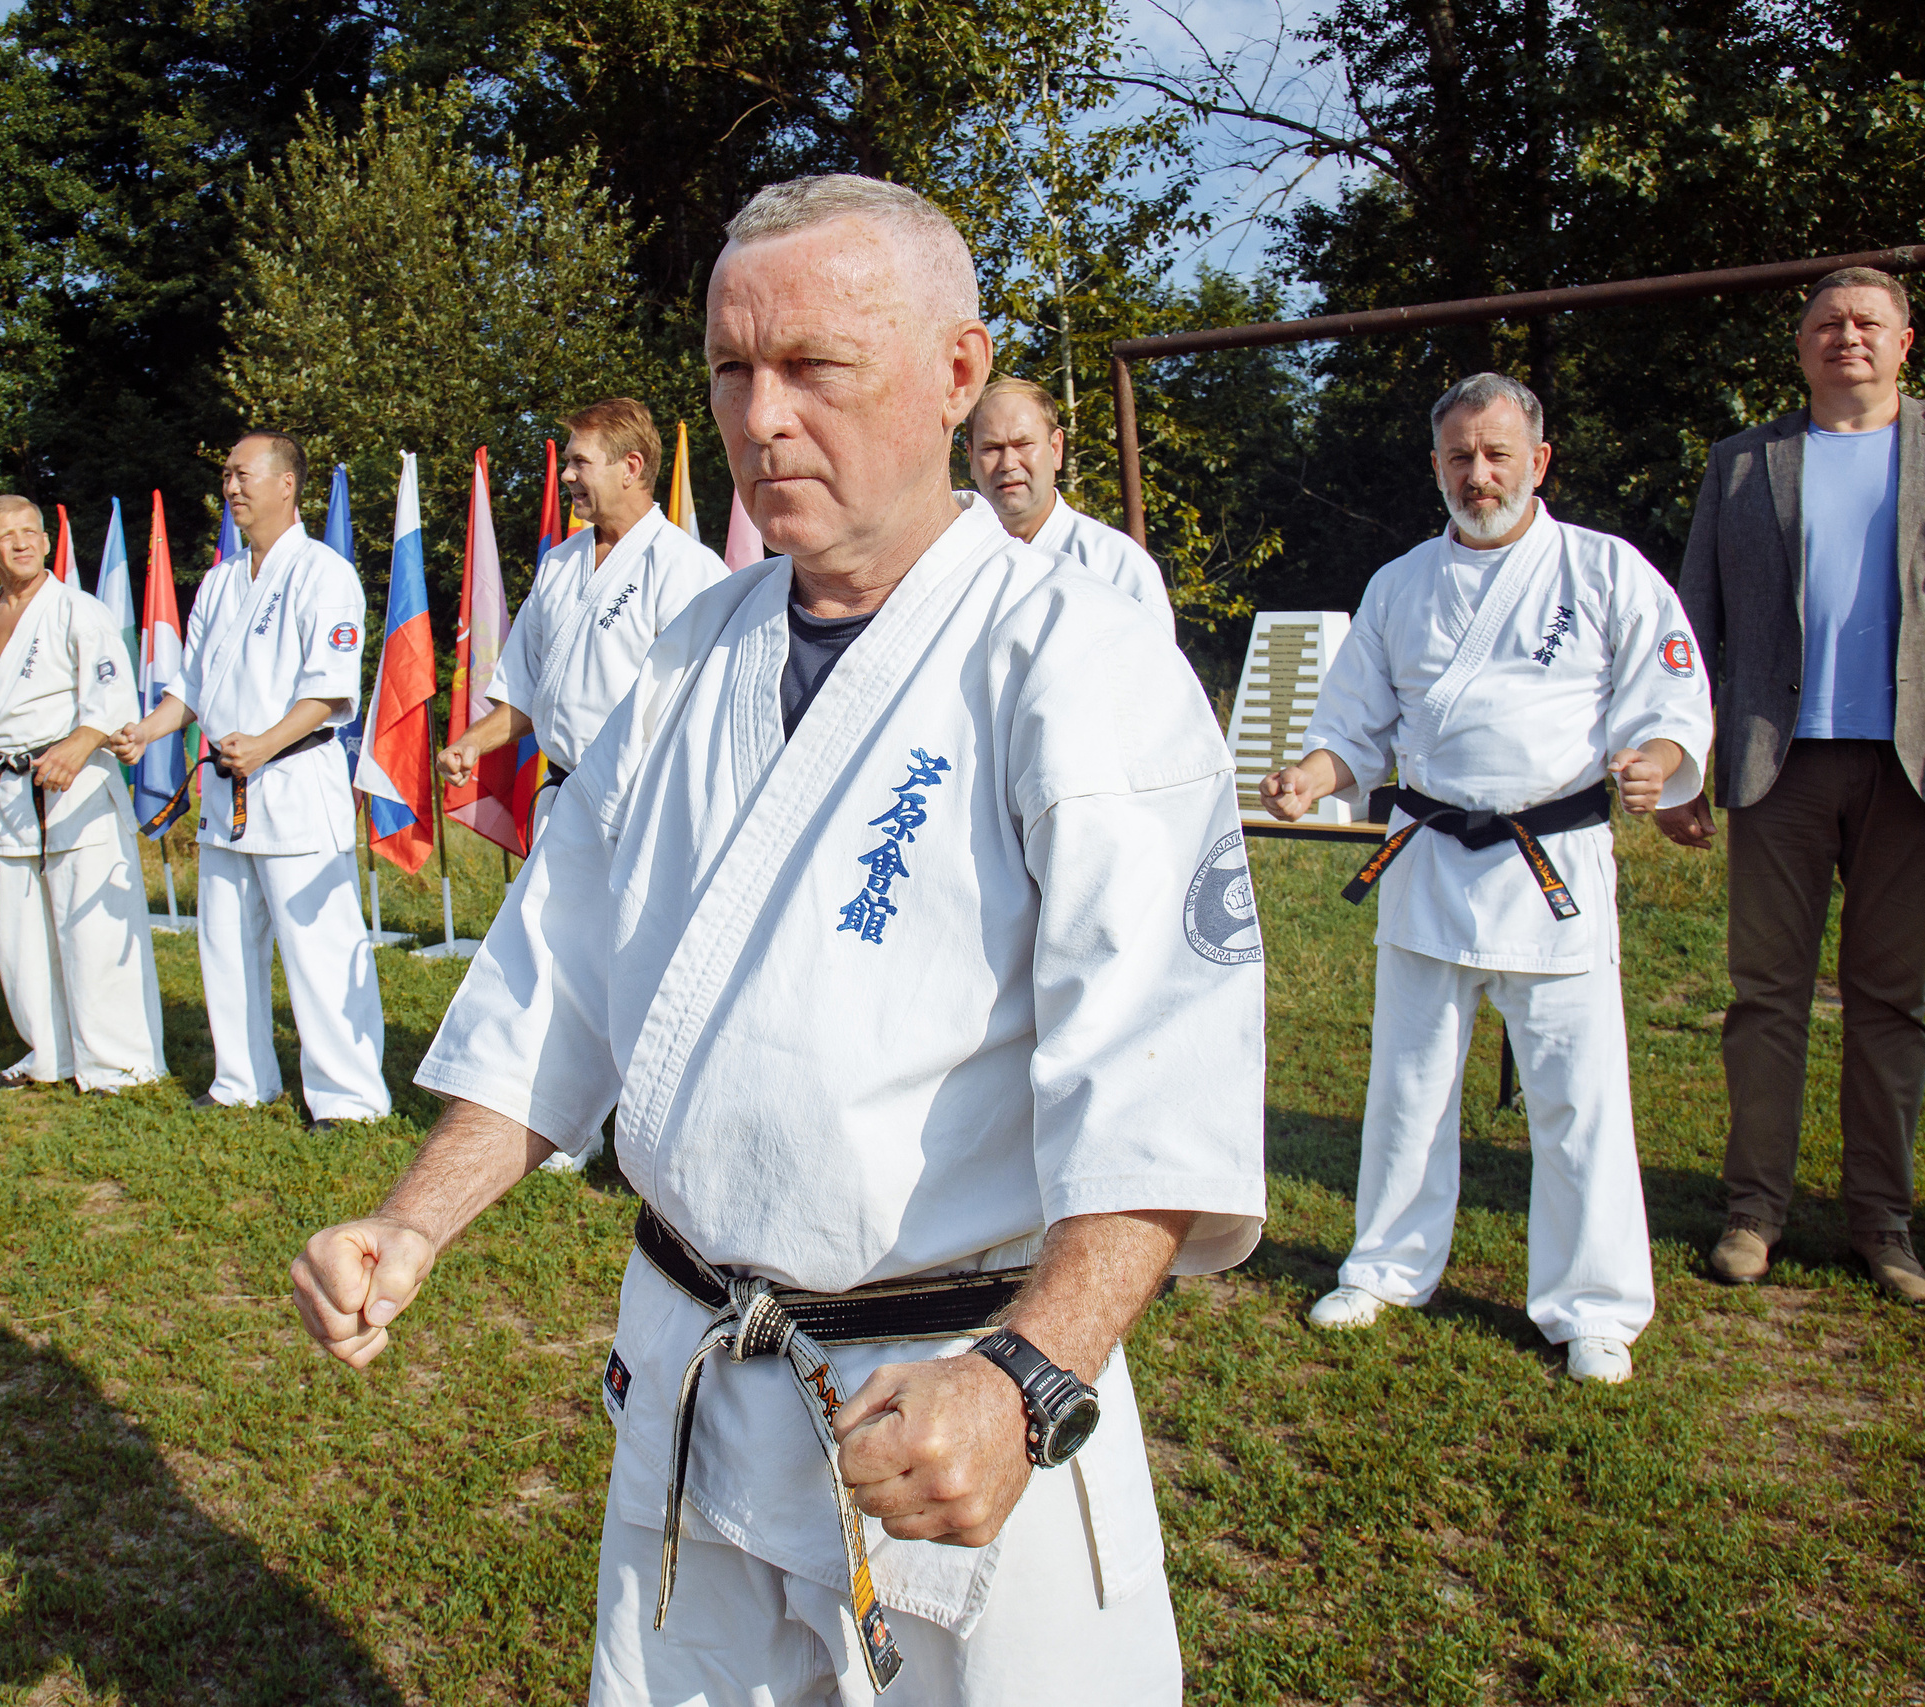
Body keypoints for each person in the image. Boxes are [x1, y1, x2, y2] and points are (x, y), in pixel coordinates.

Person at [290, 175, 1265, 1705]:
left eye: (814, 365)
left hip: (952, 1392)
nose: (762, 418)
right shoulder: (693, 653)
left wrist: (1030, 1373)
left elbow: (1158, 1075)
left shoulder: (1079, 664)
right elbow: (561, 979)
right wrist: (414, 1217)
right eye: (732, 370)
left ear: (956, 370)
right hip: (695, 1372)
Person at [1261, 372, 1712, 1386]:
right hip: (1429, 855)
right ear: (1435, 465)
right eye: (1460, 457)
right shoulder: (1400, 584)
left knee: (1577, 1094)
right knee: (1409, 1083)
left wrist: (1658, 759)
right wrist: (1313, 776)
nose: (1479, 475)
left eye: (1498, 454)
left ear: (1538, 461)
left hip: (1549, 864)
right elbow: (1353, 724)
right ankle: (1384, 1266)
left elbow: (1670, 697)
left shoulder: (1604, 569)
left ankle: (1593, 1306)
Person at [1655, 267, 1925, 1303]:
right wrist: (1680, 761)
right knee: (1764, 999)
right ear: (1801, 346)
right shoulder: (1743, 461)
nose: (1848, 336)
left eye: (1869, 321)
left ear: (1904, 342)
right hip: (1775, 764)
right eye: (1826, 322)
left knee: (1890, 1004)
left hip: (1918, 767)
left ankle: (1883, 1224)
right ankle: (1754, 1213)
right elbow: (1690, 625)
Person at [111, 431, 389, 1130]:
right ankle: (241, 1079)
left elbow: (330, 690)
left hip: (294, 776)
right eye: (226, 476)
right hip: (228, 785)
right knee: (225, 942)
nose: (230, 487)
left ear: (287, 484)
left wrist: (265, 744)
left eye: (243, 475)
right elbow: (192, 685)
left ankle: (349, 1097)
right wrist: (149, 729)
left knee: (320, 948)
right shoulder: (222, 579)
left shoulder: (324, 573)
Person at [0, 496, 165, 1095]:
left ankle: (119, 1065)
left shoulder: (77, 610)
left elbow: (111, 696)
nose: (20, 544)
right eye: (5, 536)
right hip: (10, 788)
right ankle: (49, 1053)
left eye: (30, 532)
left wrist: (79, 744)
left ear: (45, 541)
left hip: (77, 784)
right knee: (21, 934)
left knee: (93, 930)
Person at [437, 396, 731, 833]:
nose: (566, 475)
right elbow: (528, 693)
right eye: (568, 462)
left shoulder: (684, 566)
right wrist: (472, 743)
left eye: (580, 462)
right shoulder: (558, 564)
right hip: (564, 799)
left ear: (630, 467)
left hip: (646, 807)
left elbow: (710, 704)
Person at [965, 375, 1173, 629]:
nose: (1008, 463)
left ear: (1056, 449)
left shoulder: (1115, 565)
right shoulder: (954, 562)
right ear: (971, 458)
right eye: (991, 448)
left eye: (1023, 444)